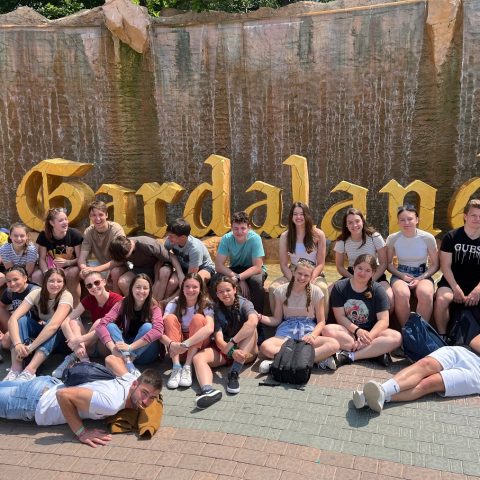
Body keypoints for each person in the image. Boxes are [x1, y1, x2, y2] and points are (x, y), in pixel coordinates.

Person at [0, 363, 162, 448]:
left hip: (46, 384)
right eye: (144, 393)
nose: (146, 402)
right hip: (32, 402)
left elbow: (111, 359)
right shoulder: (111, 403)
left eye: (152, 398)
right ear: (135, 385)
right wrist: (81, 432)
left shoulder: (129, 379)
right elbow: (63, 395)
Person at [352, 333, 480, 413]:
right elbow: (474, 342)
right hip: (464, 352)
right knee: (424, 364)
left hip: (476, 372)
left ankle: (372, 397)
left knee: (429, 383)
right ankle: (382, 390)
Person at [258, 259, 339, 372]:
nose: (302, 278)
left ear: (311, 277)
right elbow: (276, 319)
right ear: (293, 273)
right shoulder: (280, 291)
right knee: (265, 347)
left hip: (308, 331)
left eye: (306, 275)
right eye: (299, 273)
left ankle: (279, 362)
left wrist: (313, 336)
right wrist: (260, 317)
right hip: (286, 332)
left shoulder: (316, 292)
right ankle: (315, 360)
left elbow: (321, 321)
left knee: (334, 344)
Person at [323, 254, 402, 367]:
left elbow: (384, 321)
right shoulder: (340, 287)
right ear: (353, 268)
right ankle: (373, 353)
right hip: (349, 332)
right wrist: (357, 331)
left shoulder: (378, 290)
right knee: (327, 330)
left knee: (396, 337)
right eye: (360, 268)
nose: (362, 273)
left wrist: (368, 337)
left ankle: (350, 356)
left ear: (373, 273)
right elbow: (340, 317)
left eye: (367, 270)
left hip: (371, 333)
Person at [192, 276, 259, 408]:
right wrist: (231, 351)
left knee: (251, 329)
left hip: (246, 350)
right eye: (221, 292)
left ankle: (234, 373)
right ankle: (207, 390)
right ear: (217, 294)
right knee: (198, 358)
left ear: (235, 290)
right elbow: (218, 340)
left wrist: (233, 343)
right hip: (227, 350)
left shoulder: (245, 304)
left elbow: (253, 321)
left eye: (228, 290)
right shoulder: (215, 309)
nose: (225, 294)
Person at [51, 271, 124, 378]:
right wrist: (75, 343)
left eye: (97, 282)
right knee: (73, 321)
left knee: (100, 322)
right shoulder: (89, 299)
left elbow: (103, 329)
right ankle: (84, 360)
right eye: (89, 285)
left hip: (106, 346)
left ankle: (73, 357)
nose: (94, 287)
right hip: (89, 345)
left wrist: (78, 340)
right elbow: (65, 322)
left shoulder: (117, 299)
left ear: (104, 282)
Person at [5, 268, 73, 381]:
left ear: (64, 283)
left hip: (64, 340)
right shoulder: (36, 293)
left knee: (52, 323)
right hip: (46, 336)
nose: (55, 285)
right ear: (45, 282)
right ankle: (16, 369)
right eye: (51, 281)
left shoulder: (66, 296)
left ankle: (29, 371)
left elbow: (54, 325)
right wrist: (17, 344)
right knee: (22, 320)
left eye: (59, 281)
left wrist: (31, 347)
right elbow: (12, 319)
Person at [269, 202, 329, 315]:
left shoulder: (318, 235)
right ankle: (277, 320)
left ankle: (322, 322)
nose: (298, 217)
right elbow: (283, 265)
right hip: (293, 271)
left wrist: (311, 278)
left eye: (302, 214)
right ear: (291, 217)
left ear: (307, 216)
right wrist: (293, 280)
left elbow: (321, 263)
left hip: (313, 272)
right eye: (295, 214)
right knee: (273, 288)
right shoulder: (285, 236)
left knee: (322, 288)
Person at [434, 199, 480, 338]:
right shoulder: (451, 237)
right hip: (451, 281)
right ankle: (442, 336)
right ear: (465, 216)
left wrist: (478, 290)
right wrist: (456, 288)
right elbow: (445, 266)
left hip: (477, 284)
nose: (477, 219)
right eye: (473, 215)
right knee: (442, 300)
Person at [96, 274, 164, 367]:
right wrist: (113, 349)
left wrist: (130, 347)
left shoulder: (154, 307)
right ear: (131, 288)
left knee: (148, 327)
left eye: (145, 288)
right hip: (126, 350)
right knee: (110, 326)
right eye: (138, 287)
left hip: (145, 352)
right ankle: (127, 360)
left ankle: (128, 360)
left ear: (149, 291)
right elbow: (101, 325)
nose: (141, 291)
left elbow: (158, 330)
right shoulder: (123, 303)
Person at [386, 205, 438, 326]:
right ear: (398, 221)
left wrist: (420, 278)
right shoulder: (392, 238)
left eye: (410, 219)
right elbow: (388, 264)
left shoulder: (428, 238)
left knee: (426, 293)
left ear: (417, 220)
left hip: (423, 274)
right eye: (402, 220)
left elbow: (435, 264)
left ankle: (421, 331)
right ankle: (407, 331)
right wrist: (401, 275)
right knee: (402, 294)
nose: (406, 223)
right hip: (401, 274)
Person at [333, 208, 393, 311]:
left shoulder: (374, 237)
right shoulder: (342, 241)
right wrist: (353, 279)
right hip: (352, 274)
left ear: (362, 221)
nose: (354, 225)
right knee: (329, 292)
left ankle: (384, 319)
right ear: (346, 225)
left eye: (357, 221)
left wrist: (370, 280)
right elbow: (339, 266)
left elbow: (383, 263)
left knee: (390, 298)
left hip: (374, 273)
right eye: (350, 222)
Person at [163, 273, 214, 389]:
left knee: (198, 318)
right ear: (182, 288)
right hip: (177, 348)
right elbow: (159, 329)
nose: (190, 290)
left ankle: (187, 366)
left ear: (200, 289)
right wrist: (171, 344)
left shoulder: (206, 303)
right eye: (187, 286)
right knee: (169, 318)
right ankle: (176, 367)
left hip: (197, 346)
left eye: (195, 287)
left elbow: (210, 328)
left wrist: (186, 344)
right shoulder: (175, 302)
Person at [214, 211, 267, 314]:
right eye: (236, 228)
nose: (239, 232)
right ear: (231, 228)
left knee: (256, 282)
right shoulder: (226, 239)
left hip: (252, 269)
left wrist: (239, 278)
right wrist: (239, 278)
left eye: (243, 228)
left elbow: (257, 267)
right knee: (215, 280)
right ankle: (220, 314)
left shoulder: (255, 239)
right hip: (236, 269)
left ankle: (257, 316)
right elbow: (218, 266)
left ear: (249, 228)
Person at [33, 208, 83, 305]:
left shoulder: (74, 234)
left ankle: (75, 308)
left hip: (71, 267)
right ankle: (43, 307)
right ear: (52, 223)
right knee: (36, 275)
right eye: (60, 220)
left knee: (72, 273)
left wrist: (68, 262)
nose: (65, 222)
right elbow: (42, 259)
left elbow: (81, 258)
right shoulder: (44, 236)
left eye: (66, 219)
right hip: (52, 268)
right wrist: (47, 273)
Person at [158, 218, 216, 301]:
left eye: (171, 236)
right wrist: (179, 273)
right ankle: (165, 301)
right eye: (168, 235)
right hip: (184, 266)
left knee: (192, 283)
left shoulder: (195, 248)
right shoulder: (170, 241)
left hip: (204, 267)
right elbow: (166, 255)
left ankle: (170, 301)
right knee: (172, 282)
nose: (168, 238)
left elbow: (191, 275)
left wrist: (182, 279)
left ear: (182, 237)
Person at [76, 200, 126, 292]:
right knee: (82, 274)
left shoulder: (116, 229)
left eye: (101, 215)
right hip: (100, 263)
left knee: (115, 272)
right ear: (90, 216)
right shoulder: (88, 231)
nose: (97, 218)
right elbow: (82, 257)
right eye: (93, 215)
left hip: (117, 264)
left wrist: (95, 269)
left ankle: (116, 299)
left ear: (106, 215)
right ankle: (96, 299)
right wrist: (84, 269)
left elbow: (120, 259)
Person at [0, 222, 39, 287]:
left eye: (22, 236)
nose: (19, 239)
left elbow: (28, 272)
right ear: (10, 236)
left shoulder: (31, 249)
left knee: (37, 275)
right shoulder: (4, 249)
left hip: (29, 273)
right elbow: (10, 270)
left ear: (27, 236)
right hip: (14, 273)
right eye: (15, 235)